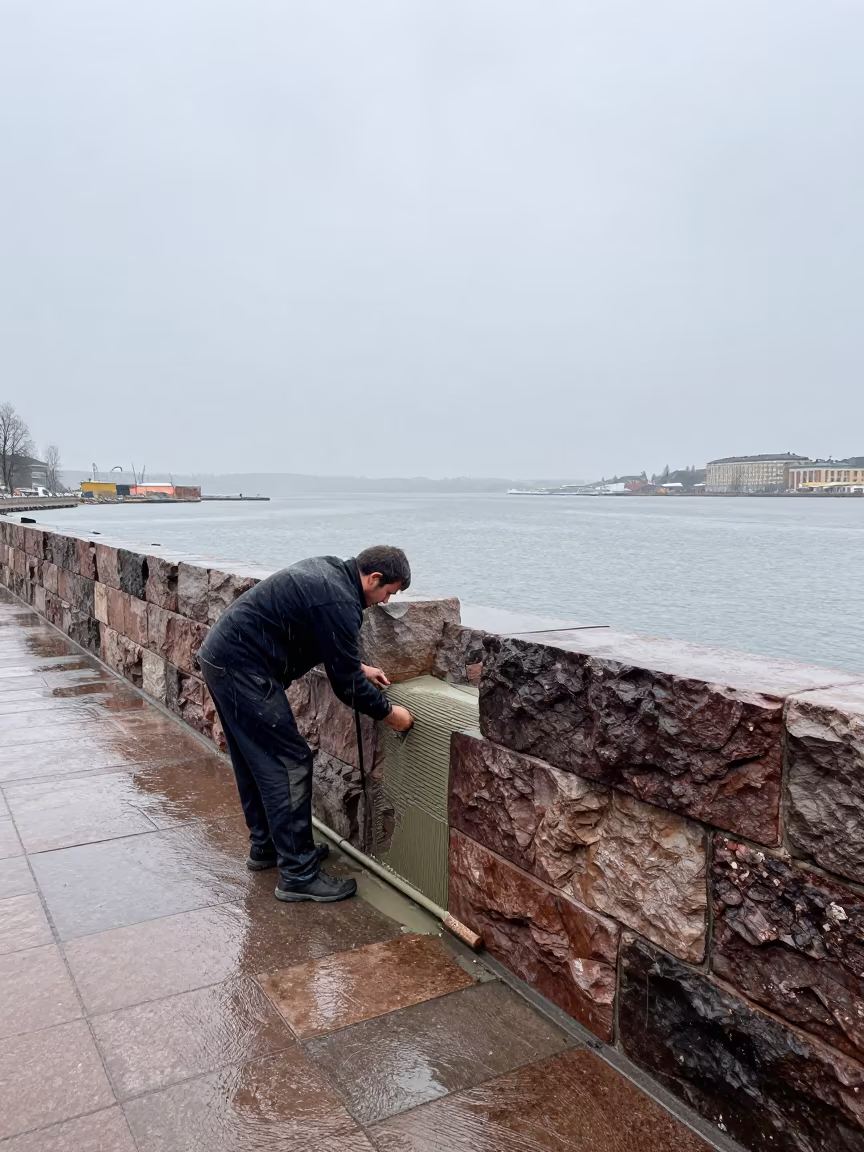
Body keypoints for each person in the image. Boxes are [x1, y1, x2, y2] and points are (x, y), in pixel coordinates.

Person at [197, 545, 414, 903]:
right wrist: (392, 715)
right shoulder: (340, 601)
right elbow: (346, 686)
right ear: (374, 579)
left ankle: (267, 847)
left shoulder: (331, 574)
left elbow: (319, 635)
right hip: (242, 669)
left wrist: (358, 666)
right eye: (388, 592)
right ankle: (298, 872)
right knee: (290, 763)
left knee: (255, 761)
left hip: (224, 659)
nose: (387, 602)